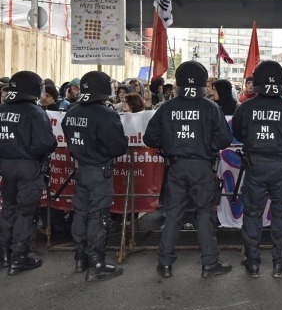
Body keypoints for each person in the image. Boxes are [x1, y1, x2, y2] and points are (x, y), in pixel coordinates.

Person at [144, 61, 233, 279]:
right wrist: (206, 145)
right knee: (204, 213)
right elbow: (224, 139)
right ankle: (210, 264)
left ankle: (164, 263)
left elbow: (149, 138)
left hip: (175, 166)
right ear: (203, 82)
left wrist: (169, 142)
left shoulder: (167, 107)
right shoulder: (211, 107)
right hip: (202, 166)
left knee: (174, 214)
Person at [231, 60, 282, 278]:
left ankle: (253, 262)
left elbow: (238, 133)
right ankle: (279, 262)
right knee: (281, 213)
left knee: (252, 213)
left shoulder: (246, 107)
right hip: (281, 166)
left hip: (255, 165)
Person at [61, 71, 128, 281]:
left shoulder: (71, 112)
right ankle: (96, 263)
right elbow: (118, 147)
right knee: (99, 216)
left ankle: (80, 258)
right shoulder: (106, 114)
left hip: (80, 169)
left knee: (80, 213)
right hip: (99, 171)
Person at [0, 71, 57, 274]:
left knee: (8, 208)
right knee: (26, 212)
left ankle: (5, 254)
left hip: (5, 165)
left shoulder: (2, 109)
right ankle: (19, 258)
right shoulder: (35, 112)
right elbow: (44, 143)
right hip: (28, 166)